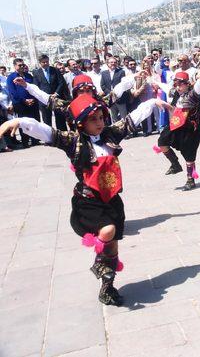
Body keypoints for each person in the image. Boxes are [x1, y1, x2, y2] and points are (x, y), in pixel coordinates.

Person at [0, 91, 172, 306]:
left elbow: (131, 119)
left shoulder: (110, 134)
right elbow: (46, 132)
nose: (99, 123)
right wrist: (19, 120)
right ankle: (99, 264)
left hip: (111, 198)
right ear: (81, 123)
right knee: (107, 231)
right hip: (88, 200)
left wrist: (154, 102)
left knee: (113, 246)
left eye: (101, 117)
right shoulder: (73, 141)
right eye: (93, 119)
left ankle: (107, 288)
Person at [153, 72, 200, 191]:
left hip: (189, 129)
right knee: (162, 142)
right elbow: (165, 87)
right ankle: (175, 164)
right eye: (176, 84)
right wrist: (151, 79)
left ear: (187, 84)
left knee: (189, 155)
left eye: (180, 84)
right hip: (176, 126)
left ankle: (190, 180)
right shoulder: (176, 92)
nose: (178, 87)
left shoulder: (193, 94)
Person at [6, 58, 39, 148]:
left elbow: (33, 88)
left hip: (32, 103)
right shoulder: (11, 77)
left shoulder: (28, 76)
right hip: (20, 104)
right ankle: (25, 141)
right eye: (19, 65)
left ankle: (35, 140)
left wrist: (32, 99)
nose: (22, 66)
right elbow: (12, 92)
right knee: (23, 122)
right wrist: (24, 100)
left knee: (34, 121)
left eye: (23, 65)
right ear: (15, 66)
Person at [33, 54, 66, 131]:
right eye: (43, 62)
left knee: (60, 119)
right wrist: (45, 96)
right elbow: (36, 87)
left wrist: (56, 93)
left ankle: (63, 137)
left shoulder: (55, 70)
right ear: (40, 63)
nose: (46, 64)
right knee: (46, 120)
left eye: (47, 62)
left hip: (57, 98)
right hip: (44, 99)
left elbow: (61, 83)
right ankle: (49, 138)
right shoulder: (36, 73)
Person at [101, 57, 129, 124]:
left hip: (120, 98)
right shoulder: (104, 73)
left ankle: (125, 132)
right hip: (110, 99)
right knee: (114, 117)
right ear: (108, 64)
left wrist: (116, 93)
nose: (113, 64)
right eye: (111, 62)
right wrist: (110, 93)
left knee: (124, 117)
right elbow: (103, 85)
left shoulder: (121, 72)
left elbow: (123, 84)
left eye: (115, 62)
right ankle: (116, 132)